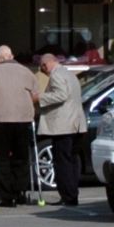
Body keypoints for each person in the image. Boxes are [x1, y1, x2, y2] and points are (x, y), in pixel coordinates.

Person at [0, 45, 40, 206]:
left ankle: (7, 196)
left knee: (1, 158)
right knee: (21, 157)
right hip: (23, 120)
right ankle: (20, 191)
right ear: (12, 56)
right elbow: (35, 94)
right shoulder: (26, 71)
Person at [37, 53, 88, 206]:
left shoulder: (56, 75)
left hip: (63, 126)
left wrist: (40, 98)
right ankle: (72, 195)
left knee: (62, 162)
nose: (43, 71)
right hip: (76, 124)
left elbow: (61, 95)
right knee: (71, 161)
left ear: (46, 65)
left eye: (42, 67)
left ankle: (67, 196)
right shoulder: (69, 74)